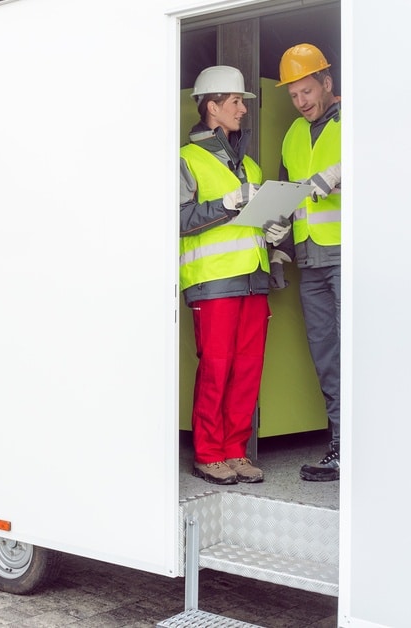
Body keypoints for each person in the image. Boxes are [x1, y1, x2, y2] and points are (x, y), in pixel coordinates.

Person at [178, 65, 276, 485]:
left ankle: (235, 450)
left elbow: (252, 220)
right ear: (212, 106)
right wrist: (227, 204)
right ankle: (209, 453)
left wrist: (274, 230)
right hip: (213, 281)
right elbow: (179, 220)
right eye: (236, 102)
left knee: (247, 368)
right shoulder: (186, 159)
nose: (243, 109)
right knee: (217, 368)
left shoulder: (250, 166)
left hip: (254, 279)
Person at [272, 44, 342, 482]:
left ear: (327, 83)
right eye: (294, 95)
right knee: (326, 355)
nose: (301, 102)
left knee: (362, 351)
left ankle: (378, 443)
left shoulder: (358, 124)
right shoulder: (294, 135)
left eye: (307, 91)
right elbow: (288, 196)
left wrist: (340, 171)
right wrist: (281, 240)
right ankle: (342, 444)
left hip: (349, 254)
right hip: (311, 260)